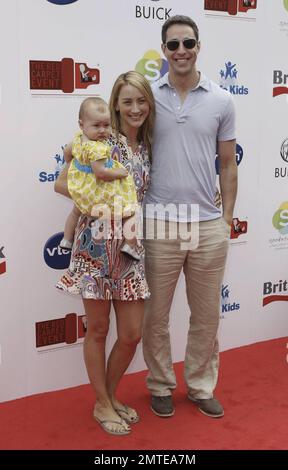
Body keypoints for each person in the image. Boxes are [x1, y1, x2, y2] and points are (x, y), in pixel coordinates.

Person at [142, 15, 237, 419]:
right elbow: (119, 143)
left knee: (206, 315)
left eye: (188, 43)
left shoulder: (221, 99)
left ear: (199, 47)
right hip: (158, 222)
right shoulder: (146, 96)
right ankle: (160, 384)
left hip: (207, 225)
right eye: (173, 44)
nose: (181, 50)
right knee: (155, 314)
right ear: (163, 50)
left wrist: (227, 218)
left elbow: (229, 164)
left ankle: (200, 385)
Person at [55, 71, 155, 435]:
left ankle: (108, 398)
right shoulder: (97, 138)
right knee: (97, 329)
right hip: (95, 244)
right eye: (127, 101)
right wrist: (98, 206)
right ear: (115, 104)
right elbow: (61, 183)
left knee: (130, 333)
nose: (135, 108)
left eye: (141, 100)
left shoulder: (146, 146)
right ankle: (102, 403)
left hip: (130, 247)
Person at [60, 96, 140, 261]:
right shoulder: (97, 148)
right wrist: (121, 173)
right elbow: (101, 173)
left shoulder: (78, 140)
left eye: (106, 125)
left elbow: (67, 152)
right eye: (96, 126)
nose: (102, 131)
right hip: (98, 191)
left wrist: (75, 164)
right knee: (130, 211)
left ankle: (66, 239)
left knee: (76, 210)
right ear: (82, 124)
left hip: (82, 188)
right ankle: (130, 244)